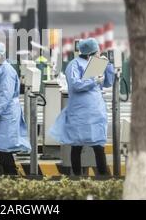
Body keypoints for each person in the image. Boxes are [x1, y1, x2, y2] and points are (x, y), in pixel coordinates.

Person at [49, 38, 114, 176]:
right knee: (77, 145)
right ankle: (77, 177)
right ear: (90, 52)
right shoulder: (74, 65)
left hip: (95, 111)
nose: (99, 52)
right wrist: (93, 80)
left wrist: (107, 66)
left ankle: (103, 178)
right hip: (80, 112)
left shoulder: (96, 64)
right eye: (97, 51)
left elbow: (107, 83)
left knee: (98, 146)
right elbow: (75, 85)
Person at [0, 41, 31, 175]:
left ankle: (12, 175)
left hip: (5, 113)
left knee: (4, 148)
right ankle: (7, 176)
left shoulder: (6, 70)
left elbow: (5, 94)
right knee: (0, 148)